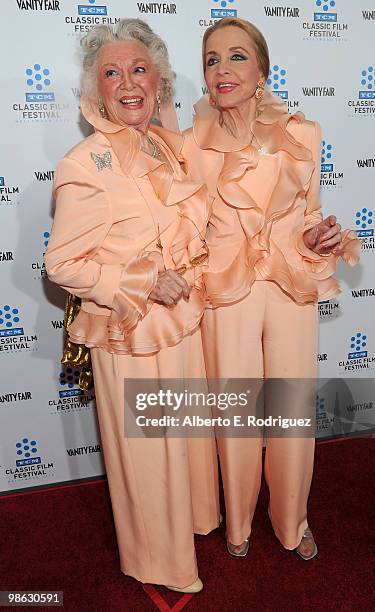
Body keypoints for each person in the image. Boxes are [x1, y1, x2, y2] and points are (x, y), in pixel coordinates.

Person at [45, 18, 220, 592]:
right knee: (149, 457)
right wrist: (142, 281)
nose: (127, 82)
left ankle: (192, 524)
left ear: (159, 84)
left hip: (181, 326)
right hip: (131, 332)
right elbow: (63, 265)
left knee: (182, 444)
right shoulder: (84, 163)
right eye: (112, 73)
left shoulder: (167, 147)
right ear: (94, 92)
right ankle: (157, 562)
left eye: (139, 70)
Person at [182, 17, 360, 560]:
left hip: (288, 284)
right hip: (226, 290)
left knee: (290, 411)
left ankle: (291, 521)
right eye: (212, 60)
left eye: (237, 57)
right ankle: (237, 523)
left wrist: (320, 235)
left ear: (262, 69)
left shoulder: (303, 132)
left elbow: (308, 213)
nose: (222, 69)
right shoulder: (190, 144)